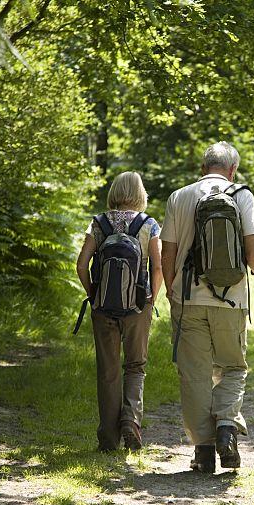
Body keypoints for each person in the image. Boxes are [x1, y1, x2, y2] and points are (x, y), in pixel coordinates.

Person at [160, 141, 254, 473]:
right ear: (233, 169)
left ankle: (204, 452)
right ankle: (226, 425)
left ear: (202, 168)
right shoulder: (242, 195)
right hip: (232, 299)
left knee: (194, 376)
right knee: (233, 367)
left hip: (188, 298)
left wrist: (171, 289)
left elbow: (167, 252)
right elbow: (253, 251)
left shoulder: (179, 196)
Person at [76, 171, 163, 452]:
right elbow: (159, 267)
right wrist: (150, 299)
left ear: (114, 192)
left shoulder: (99, 223)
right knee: (135, 366)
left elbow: (81, 265)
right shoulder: (148, 224)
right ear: (140, 194)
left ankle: (108, 438)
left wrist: (94, 294)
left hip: (103, 307)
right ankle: (131, 420)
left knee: (108, 371)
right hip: (138, 305)